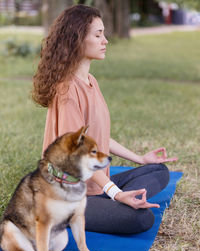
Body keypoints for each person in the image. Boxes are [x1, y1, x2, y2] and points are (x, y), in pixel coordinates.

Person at [32, 4, 177, 234]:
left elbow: (99, 138)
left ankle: (111, 200)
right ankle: (106, 203)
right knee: (140, 219)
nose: (105, 40)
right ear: (77, 39)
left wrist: (139, 158)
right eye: (98, 35)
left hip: (94, 186)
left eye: (104, 34)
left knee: (158, 171)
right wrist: (116, 192)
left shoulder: (91, 81)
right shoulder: (67, 90)